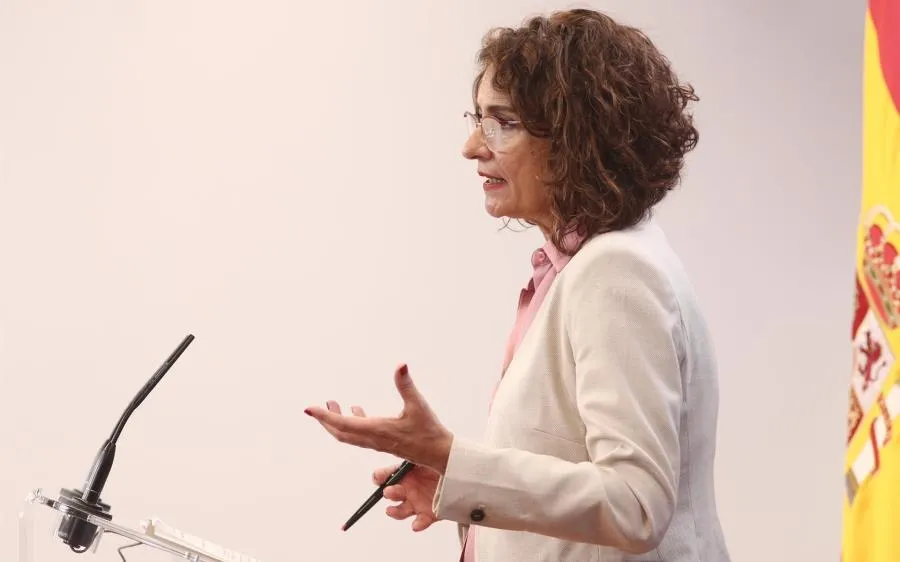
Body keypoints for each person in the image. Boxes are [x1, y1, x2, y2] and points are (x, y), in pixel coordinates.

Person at [305, 8, 730, 561]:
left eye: (503, 122)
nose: (472, 147)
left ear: (580, 137)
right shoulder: (591, 264)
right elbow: (574, 480)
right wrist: (454, 486)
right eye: (478, 117)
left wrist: (455, 457)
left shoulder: (616, 272)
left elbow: (635, 504)